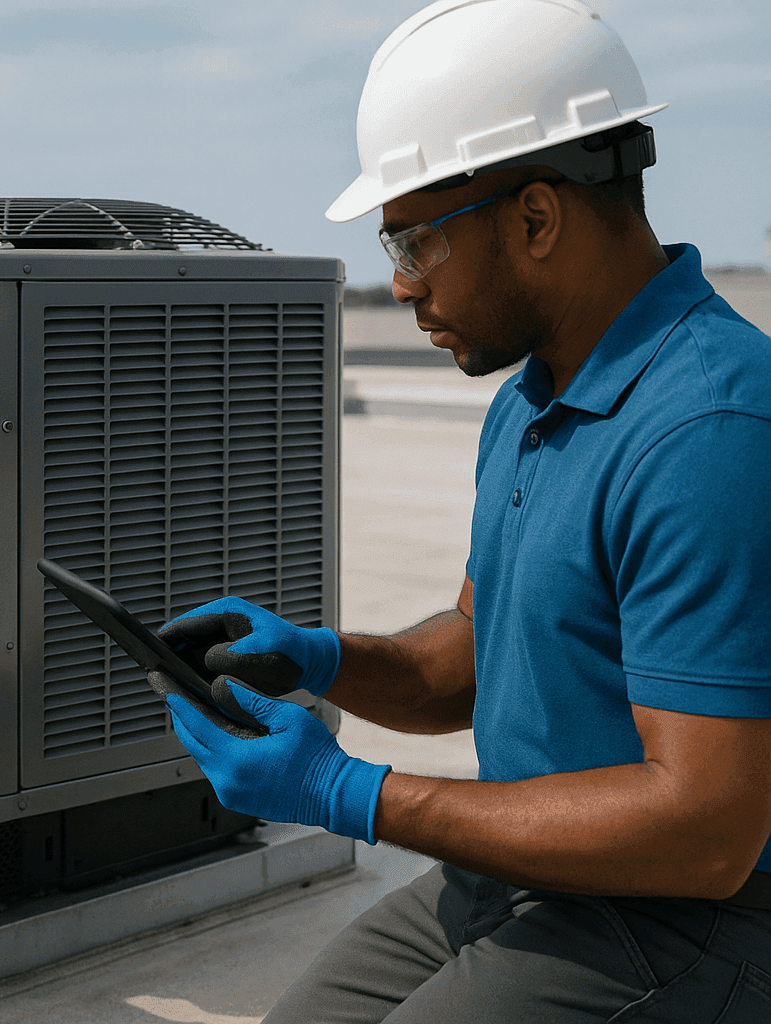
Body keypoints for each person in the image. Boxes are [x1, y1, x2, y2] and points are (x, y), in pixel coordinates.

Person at [152, 2, 771, 1020]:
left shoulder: (708, 429)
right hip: (523, 875)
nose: (395, 286)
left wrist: (355, 796)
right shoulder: (536, 395)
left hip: (687, 919)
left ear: (536, 218)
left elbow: (707, 829)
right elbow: (480, 653)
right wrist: (318, 657)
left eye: (411, 242)